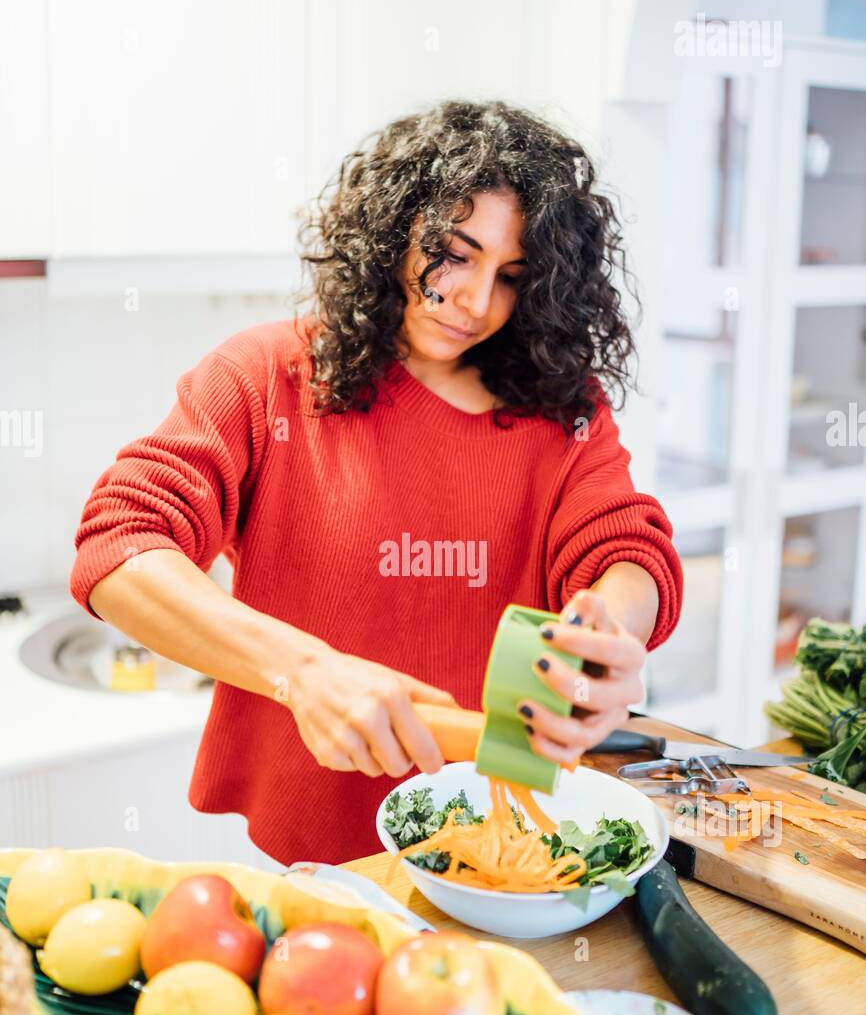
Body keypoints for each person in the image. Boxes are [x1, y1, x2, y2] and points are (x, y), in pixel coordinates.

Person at [69, 99, 683, 867]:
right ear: (394, 231)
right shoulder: (266, 376)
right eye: (454, 253)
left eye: (512, 276)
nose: (476, 300)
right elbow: (122, 542)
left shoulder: (566, 409)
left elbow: (623, 542)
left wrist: (612, 629)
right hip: (315, 855)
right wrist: (304, 673)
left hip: (503, 842)